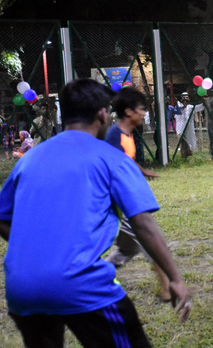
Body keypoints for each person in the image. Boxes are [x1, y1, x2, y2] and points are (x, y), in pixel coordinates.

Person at [0, 79, 191, 347]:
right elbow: (143, 224)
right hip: (80, 285)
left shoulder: (30, 159)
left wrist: (36, 248)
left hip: (22, 288)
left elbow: (2, 217)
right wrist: (175, 279)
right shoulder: (111, 159)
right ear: (102, 113)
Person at [104, 87, 171, 302]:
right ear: (129, 111)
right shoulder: (114, 135)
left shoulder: (126, 134)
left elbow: (127, 161)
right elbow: (111, 167)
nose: (144, 113)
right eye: (142, 109)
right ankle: (168, 290)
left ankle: (92, 280)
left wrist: (143, 172)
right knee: (154, 245)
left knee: (126, 250)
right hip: (127, 204)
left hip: (128, 202)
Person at [174, 92, 197, 158]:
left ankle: (188, 158)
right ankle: (183, 157)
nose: (185, 100)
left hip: (189, 130)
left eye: (187, 98)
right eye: (184, 98)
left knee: (190, 145)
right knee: (183, 144)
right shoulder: (179, 107)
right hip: (181, 130)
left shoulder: (190, 107)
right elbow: (177, 109)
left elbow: (199, 107)